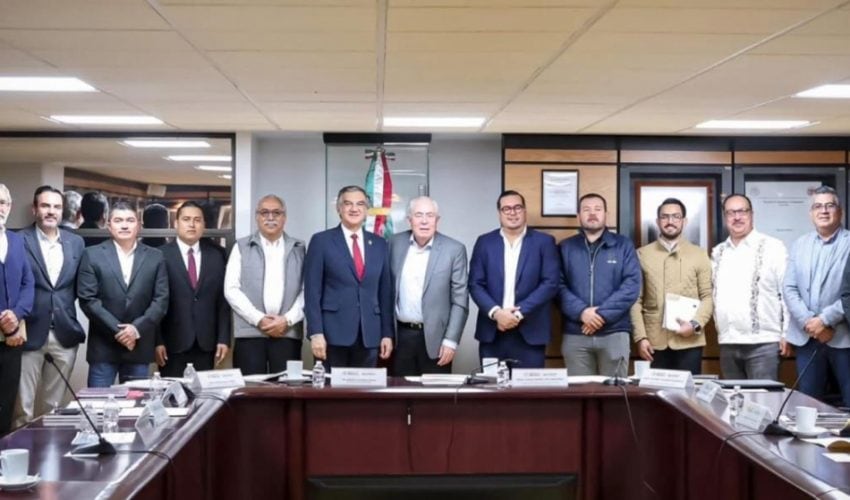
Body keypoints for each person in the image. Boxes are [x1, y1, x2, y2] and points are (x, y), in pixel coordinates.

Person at [77, 201, 169, 387]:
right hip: (104, 347)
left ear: (139, 225)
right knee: (97, 402)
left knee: (136, 402)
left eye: (130, 220)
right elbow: (88, 300)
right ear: (109, 225)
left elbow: (161, 300)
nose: (125, 225)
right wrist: (119, 331)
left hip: (139, 345)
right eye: (118, 221)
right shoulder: (91, 254)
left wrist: (135, 330)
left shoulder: (155, 256)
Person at [15, 186, 85, 427]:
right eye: (45, 206)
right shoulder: (17, 240)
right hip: (27, 332)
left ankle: (48, 450)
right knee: (22, 408)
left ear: (62, 211)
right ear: (34, 209)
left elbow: (78, 286)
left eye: (56, 207)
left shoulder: (76, 243)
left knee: (53, 409)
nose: (51, 211)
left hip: (63, 332)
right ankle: (20, 449)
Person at [304, 186, 393, 370]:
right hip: (331, 336)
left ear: (366, 210)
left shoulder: (379, 244)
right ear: (339, 208)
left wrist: (387, 333)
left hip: (369, 336)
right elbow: (312, 292)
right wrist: (316, 333)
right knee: (330, 388)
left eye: (360, 204)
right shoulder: (321, 241)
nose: (354, 209)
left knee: (365, 389)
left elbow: (385, 293)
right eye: (348, 204)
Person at [468, 190, 559, 368]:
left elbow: (550, 283)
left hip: (530, 332)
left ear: (524, 211)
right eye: (506, 209)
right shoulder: (485, 242)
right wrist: (497, 313)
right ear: (499, 213)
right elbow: (475, 284)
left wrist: (516, 314)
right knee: (492, 385)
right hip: (493, 332)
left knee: (529, 386)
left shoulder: (544, 242)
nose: (512, 212)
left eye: (517, 207)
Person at [559, 193, 641, 377]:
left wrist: (601, 315)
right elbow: (557, 286)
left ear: (606, 214)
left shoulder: (623, 245)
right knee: (579, 392)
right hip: (576, 333)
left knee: (615, 391)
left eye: (597, 209)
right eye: (586, 209)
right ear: (578, 215)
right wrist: (582, 313)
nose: (592, 213)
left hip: (614, 332)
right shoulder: (565, 247)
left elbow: (632, 286)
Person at [630, 198, 713, 374]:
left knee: (688, 391)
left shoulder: (699, 254)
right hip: (653, 341)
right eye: (665, 217)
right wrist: (640, 338)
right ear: (657, 221)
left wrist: (695, 324)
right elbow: (635, 300)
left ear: (684, 221)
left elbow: (708, 296)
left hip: (690, 340)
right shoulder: (642, 254)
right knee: (653, 391)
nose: (670, 221)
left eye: (676, 217)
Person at [224, 195, 304, 375]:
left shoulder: (299, 248)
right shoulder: (241, 247)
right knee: (251, 387)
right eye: (264, 212)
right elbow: (231, 289)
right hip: (250, 333)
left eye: (276, 213)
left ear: (284, 217)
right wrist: (259, 319)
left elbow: (307, 291)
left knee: (287, 387)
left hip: (287, 332)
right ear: (257, 217)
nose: (270, 217)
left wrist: (287, 320)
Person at [785, 186, 850, 406]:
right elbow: (789, 288)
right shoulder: (799, 244)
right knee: (809, 405)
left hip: (843, 337)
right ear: (811, 213)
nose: (824, 211)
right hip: (807, 337)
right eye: (818, 206)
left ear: (840, 211)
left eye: (830, 205)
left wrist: (825, 320)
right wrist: (809, 322)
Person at [389, 196, 468, 376]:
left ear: (437, 220)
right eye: (418, 215)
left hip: (437, 340)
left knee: (435, 393)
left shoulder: (454, 250)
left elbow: (460, 300)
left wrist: (451, 340)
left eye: (430, 215)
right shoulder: (393, 243)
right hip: (400, 337)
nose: (424, 221)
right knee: (400, 390)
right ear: (409, 219)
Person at [712, 194, 786, 380]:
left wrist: (786, 334)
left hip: (763, 344)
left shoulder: (773, 247)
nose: (737, 217)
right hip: (728, 342)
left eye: (742, 211)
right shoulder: (718, 252)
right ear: (725, 217)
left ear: (752, 214)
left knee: (763, 398)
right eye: (731, 213)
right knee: (733, 398)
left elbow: (786, 293)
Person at [156, 201, 231, 377]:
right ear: (176, 223)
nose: (192, 224)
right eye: (186, 219)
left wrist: (223, 338)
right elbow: (154, 301)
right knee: (173, 392)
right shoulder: (160, 255)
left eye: (197, 220)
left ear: (204, 225)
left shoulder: (216, 256)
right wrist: (157, 341)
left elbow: (222, 302)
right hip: (171, 343)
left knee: (204, 393)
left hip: (206, 343)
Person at [0, 184, 34, 434]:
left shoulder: (16, 240)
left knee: (6, 403)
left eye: (3, 203)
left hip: (11, 339)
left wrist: (17, 313)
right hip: (7, 329)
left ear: (10, 206)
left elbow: (27, 282)